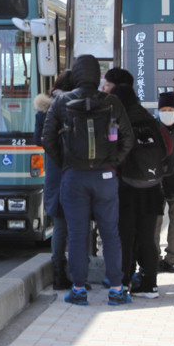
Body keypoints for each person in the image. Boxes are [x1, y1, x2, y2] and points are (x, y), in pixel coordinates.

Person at [42, 55, 135, 306]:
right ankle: (116, 289)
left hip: (74, 177)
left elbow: (47, 138)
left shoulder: (62, 102)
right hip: (105, 176)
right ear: (98, 76)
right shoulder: (112, 102)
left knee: (77, 234)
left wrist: (66, 164)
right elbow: (126, 138)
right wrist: (112, 163)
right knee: (110, 233)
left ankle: (79, 289)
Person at [105, 68, 165, 299]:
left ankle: (124, 281)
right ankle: (150, 284)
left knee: (125, 236)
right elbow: (166, 151)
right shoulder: (150, 119)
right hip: (152, 188)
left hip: (125, 189)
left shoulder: (118, 121)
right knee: (148, 238)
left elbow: (113, 153)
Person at [34, 69, 73, 290]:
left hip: (54, 170)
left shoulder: (45, 108)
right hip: (75, 170)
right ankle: (77, 273)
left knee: (60, 223)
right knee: (78, 224)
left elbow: (38, 139)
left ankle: (59, 272)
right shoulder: (75, 106)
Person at [155, 92, 174, 274]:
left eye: (170, 109)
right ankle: (154, 257)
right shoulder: (153, 128)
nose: (167, 113)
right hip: (157, 184)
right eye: (163, 110)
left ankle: (172, 259)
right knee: (155, 224)